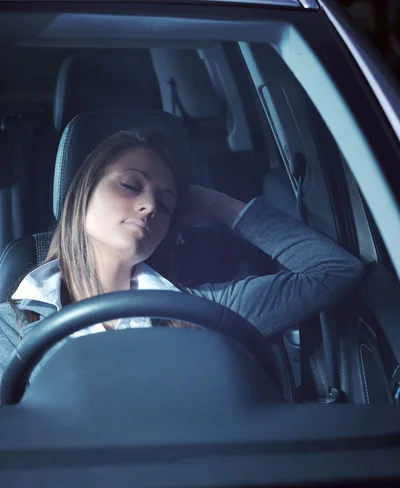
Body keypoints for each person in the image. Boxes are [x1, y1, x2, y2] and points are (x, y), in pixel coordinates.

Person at [0, 129, 364, 382]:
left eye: (167, 202)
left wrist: (217, 205)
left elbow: (333, 271)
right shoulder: (9, 326)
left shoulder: (204, 312)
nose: (149, 205)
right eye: (130, 185)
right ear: (81, 193)